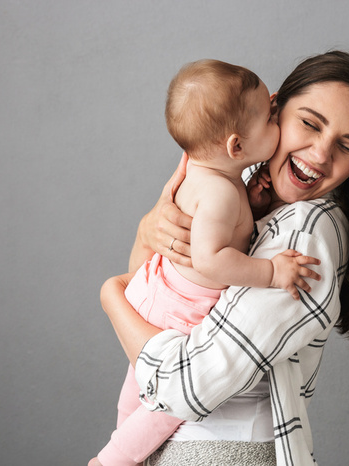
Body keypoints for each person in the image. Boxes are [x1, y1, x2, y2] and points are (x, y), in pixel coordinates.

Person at [100, 51, 349, 466]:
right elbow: (156, 285)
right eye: (309, 123)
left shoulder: (305, 234)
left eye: (347, 146)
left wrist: (111, 294)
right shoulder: (242, 186)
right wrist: (150, 229)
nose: (321, 155)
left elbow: (182, 384)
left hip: (218, 449)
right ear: (274, 109)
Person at [92, 60, 321, 466]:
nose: (276, 116)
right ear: (236, 146)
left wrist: (250, 202)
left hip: (156, 287)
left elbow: (219, 228)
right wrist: (271, 271)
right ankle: (112, 462)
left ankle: (123, 447)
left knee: (136, 392)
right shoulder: (219, 192)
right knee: (162, 407)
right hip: (182, 310)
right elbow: (210, 259)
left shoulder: (207, 172)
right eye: (270, 118)